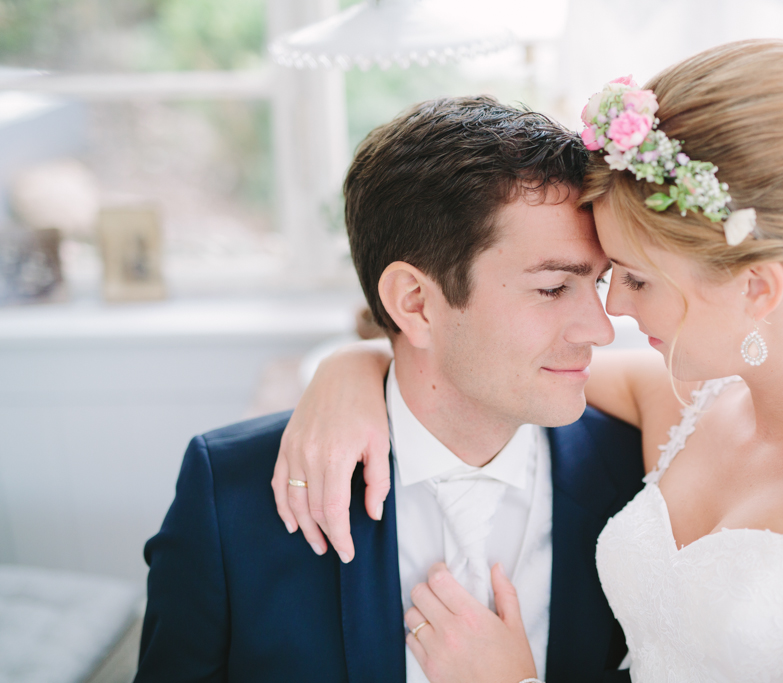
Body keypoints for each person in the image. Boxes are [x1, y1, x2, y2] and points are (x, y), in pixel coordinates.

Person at [273, 39, 783, 683]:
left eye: (635, 278)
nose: (611, 316)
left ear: (756, 287)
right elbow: (475, 364)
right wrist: (345, 373)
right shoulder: (685, 400)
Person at [136, 96, 646, 683]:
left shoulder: (637, 481)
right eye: (555, 288)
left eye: (600, 282)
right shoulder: (231, 498)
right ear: (416, 303)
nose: (603, 329)